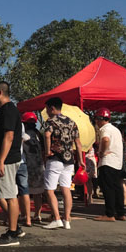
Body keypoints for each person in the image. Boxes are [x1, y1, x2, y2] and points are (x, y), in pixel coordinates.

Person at [41, 97, 84, 230]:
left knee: (49, 190)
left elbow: (47, 135)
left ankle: (57, 218)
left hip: (55, 158)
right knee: (66, 188)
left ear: (52, 108)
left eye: (47, 109)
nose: (47, 111)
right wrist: (80, 160)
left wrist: (47, 151)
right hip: (69, 160)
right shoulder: (72, 122)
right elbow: (78, 142)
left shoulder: (50, 121)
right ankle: (67, 219)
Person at [0, 82, 23, 247]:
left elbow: (9, 136)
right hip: (5, 158)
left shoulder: (8, 110)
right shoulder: (6, 110)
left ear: (0, 92)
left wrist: (1, 160)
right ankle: (14, 226)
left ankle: (13, 233)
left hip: (7, 159)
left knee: (9, 195)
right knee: (2, 193)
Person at [93, 108, 125, 221]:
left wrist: (102, 152)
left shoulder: (104, 129)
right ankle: (121, 213)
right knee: (117, 188)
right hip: (117, 162)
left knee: (108, 189)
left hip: (108, 162)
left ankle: (109, 214)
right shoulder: (115, 129)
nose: (96, 122)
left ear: (100, 119)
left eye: (96, 119)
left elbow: (105, 140)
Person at [21, 112, 45, 222]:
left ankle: (24, 214)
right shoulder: (38, 134)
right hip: (38, 165)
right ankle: (37, 214)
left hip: (26, 164)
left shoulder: (23, 134)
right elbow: (43, 150)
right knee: (38, 192)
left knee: (23, 191)